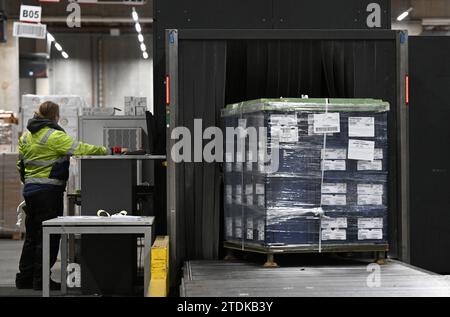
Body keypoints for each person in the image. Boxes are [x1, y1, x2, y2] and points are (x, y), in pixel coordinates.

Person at [15, 101, 124, 291]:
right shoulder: (54, 135)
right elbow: (81, 148)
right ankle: (41, 281)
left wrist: (29, 183)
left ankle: (25, 278)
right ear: (54, 116)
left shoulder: (26, 136)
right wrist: (108, 150)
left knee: (32, 236)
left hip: (30, 192)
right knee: (47, 237)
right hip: (48, 193)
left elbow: (20, 165)